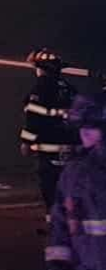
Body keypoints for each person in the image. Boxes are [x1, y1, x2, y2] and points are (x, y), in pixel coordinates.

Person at [46, 95, 106, 270]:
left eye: (92, 126)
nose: (84, 133)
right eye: (81, 127)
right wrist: (58, 263)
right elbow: (61, 221)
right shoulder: (74, 173)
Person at [22, 49, 91, 217]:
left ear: (41, 68)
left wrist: (26, 142)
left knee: (51, 191)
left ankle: (56, 225)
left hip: (49, 149)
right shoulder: (70, 89)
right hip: (73, 148)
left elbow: (33, 118)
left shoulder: (40, 89)